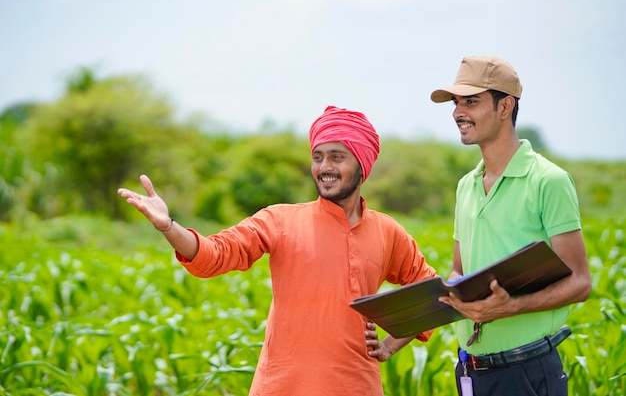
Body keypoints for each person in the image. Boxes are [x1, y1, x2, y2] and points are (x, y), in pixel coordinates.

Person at [118, 106, 437, 396]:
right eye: (318, 157)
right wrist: (168, 226)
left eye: (337, 157)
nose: (324, 166)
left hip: (357, 385)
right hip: (281, 386)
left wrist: (390, 344)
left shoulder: (387, 231)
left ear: (362, 164)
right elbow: (216, 254)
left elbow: (432, 293)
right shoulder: (280, 219)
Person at [430, 56, 592, 395]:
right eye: (456, 102)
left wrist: (511, 307)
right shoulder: (466, 185)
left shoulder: (549, 181)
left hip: (527, 372)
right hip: (471, 371)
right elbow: (459, 270)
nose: (458, 112)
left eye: (471, 101)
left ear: (505, 106)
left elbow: (580, 283)